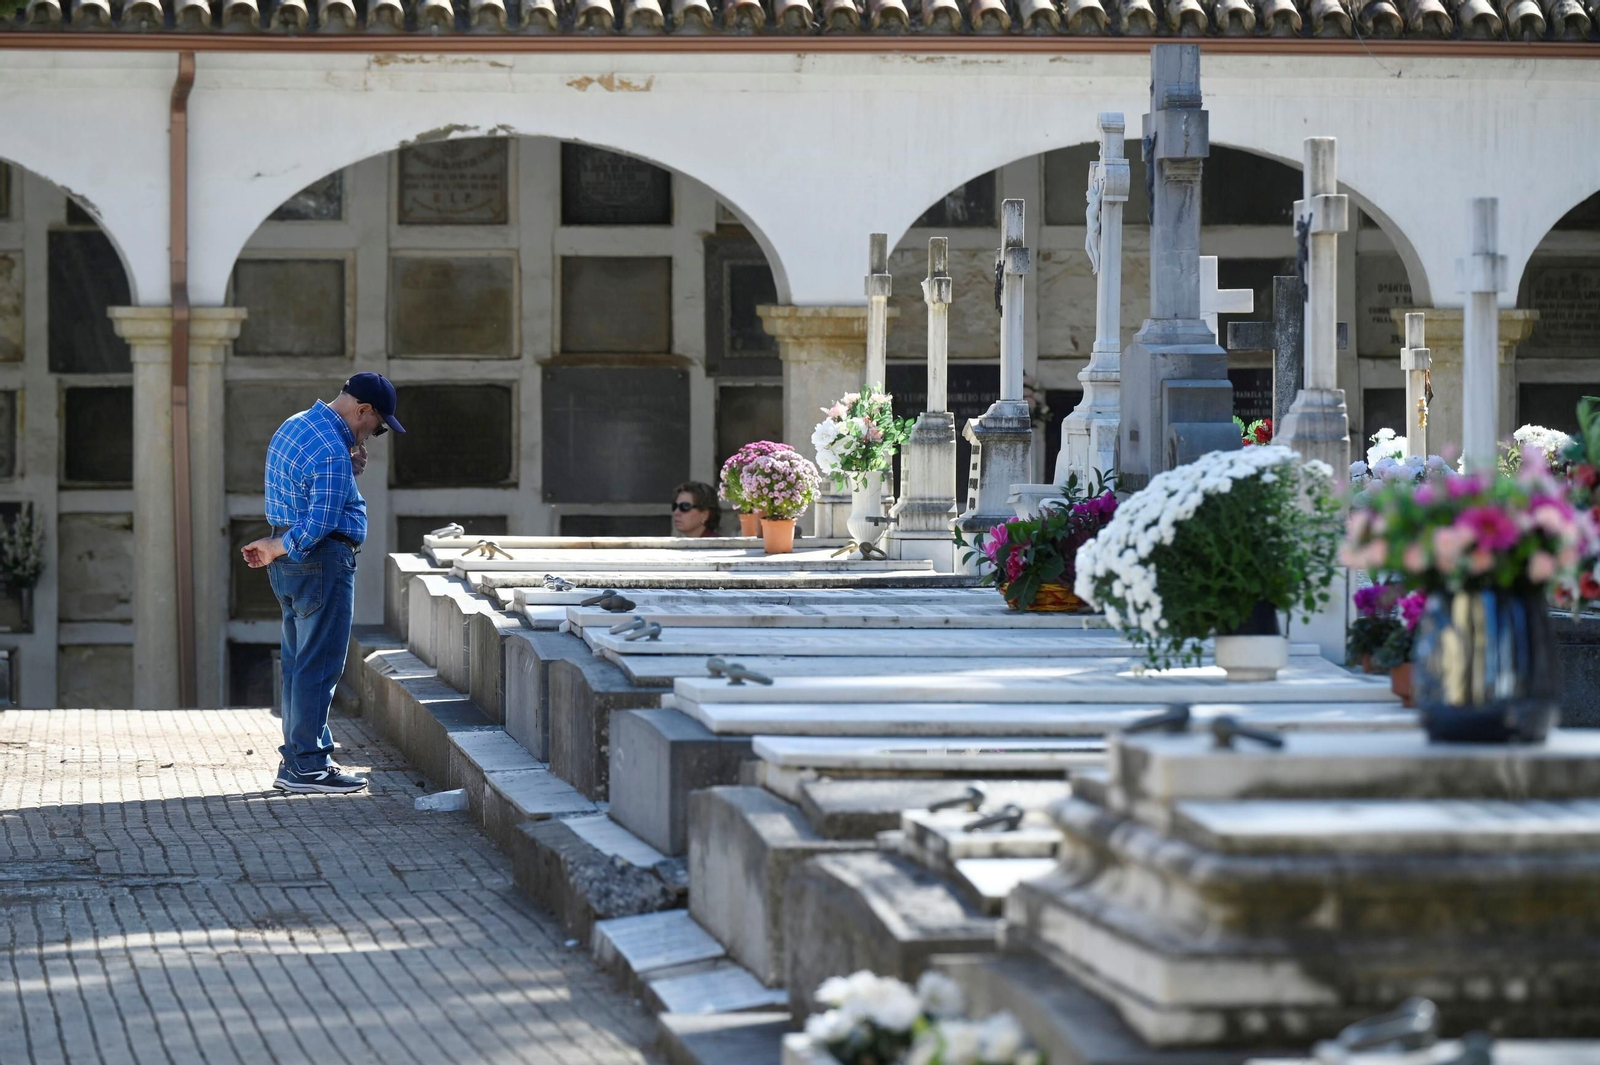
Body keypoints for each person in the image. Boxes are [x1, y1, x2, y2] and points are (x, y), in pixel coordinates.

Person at [241, 373, 406, 795]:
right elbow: (320, 521)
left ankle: (296, 763)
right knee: (321, 665)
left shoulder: (295, 424)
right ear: (363, 410)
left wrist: (349, 472)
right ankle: (310, 768)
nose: (376, 433)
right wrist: (280, 547)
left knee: (298, 665)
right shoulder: (333, 450)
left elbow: (298, 492)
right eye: (379, 424)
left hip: (292, 567)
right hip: (319, 560)